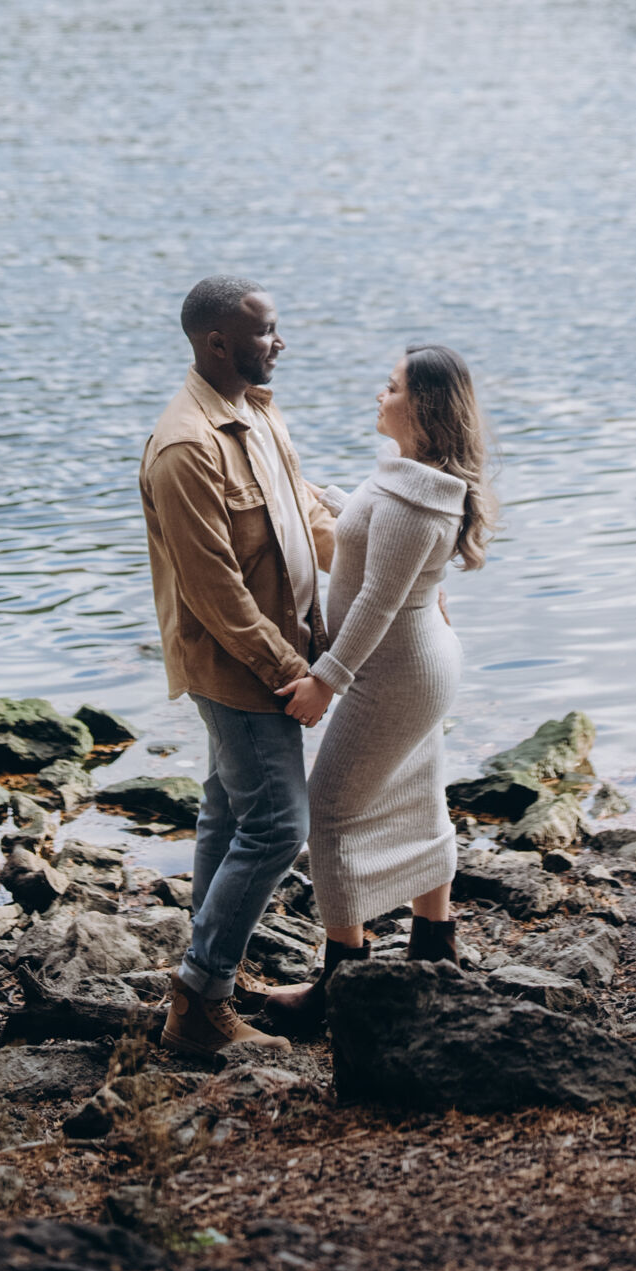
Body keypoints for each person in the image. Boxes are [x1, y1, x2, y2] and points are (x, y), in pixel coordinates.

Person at [261, 343, 494, 1039]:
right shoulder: (410, 479)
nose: (378, 394)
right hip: (418, 665)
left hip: (395, 675)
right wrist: (316, 493)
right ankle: (434, 949)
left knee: (330, 812)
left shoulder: (417, 501)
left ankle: (342, 982)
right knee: (420, 794)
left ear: (422, 407)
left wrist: (325, 682)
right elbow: (371, 528)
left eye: (390, 386)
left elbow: (375, 603)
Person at [139, 274, 341, 1061]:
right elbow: (215, 592)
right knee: (279, 824)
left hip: (276, 650)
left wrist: (387, 559)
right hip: (237, 667)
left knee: (227, 811)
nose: (280, 343)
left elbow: (304, 514)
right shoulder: (185, 447)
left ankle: (208, 966)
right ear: (217, 343)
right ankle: (200, 997)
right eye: (266, 331)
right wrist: (295, 674)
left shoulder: (255, 409)